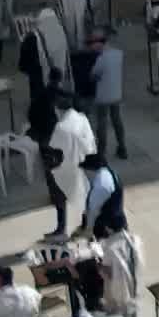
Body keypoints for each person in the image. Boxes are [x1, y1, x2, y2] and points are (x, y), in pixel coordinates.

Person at [47, 94, 97, 240]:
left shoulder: (61, 127)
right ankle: (87, 226)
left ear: (59, 110)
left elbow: (55, 149)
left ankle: (61, 229)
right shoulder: (81, 118)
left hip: (68, 167)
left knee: (59, 197)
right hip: (86, 163)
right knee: (85, 198)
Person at [95, 221, 144, 317]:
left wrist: (98, 266)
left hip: (120, 292)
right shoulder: (135, 239)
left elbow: (108, 274)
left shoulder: (110, 246)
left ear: (109, 228)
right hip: (135, 285)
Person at [85, 32, 127, 159]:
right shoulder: (118, 54)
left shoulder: (101, 59)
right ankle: (122, 147)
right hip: (116, 93)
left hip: (103, 96)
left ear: (99, 43)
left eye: (92, 44)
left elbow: (92, 76)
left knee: (102, 123)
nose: (91, 47)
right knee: (117, 120)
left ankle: (101, 153)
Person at [79, 152, 126, 233]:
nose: (85, 173)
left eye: (85, 170)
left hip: (107, 228)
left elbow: (93, 211)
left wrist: (87, 230)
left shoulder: (100, 185)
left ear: (91, 169)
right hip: (117, 220)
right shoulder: (109, 173)